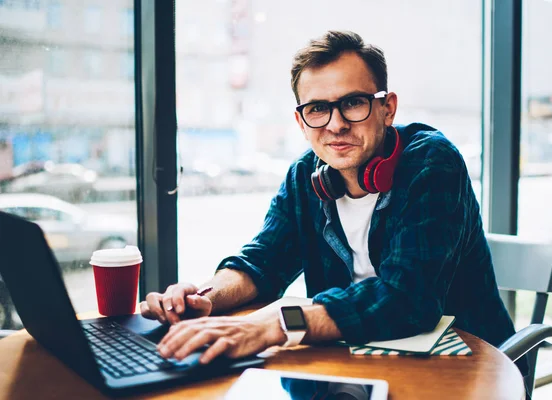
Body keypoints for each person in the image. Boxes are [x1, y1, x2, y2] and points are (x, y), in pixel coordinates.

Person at [141, 30, 527, 381]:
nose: (336, 124)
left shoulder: (431, 163)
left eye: (354, 103)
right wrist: (203, 297)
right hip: (356, 360)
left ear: (387, 108)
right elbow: (262, 263)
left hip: (467, 367)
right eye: (317, 109)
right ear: (301, 120)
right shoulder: (304, 175)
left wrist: (277, 323)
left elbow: (409, 299)